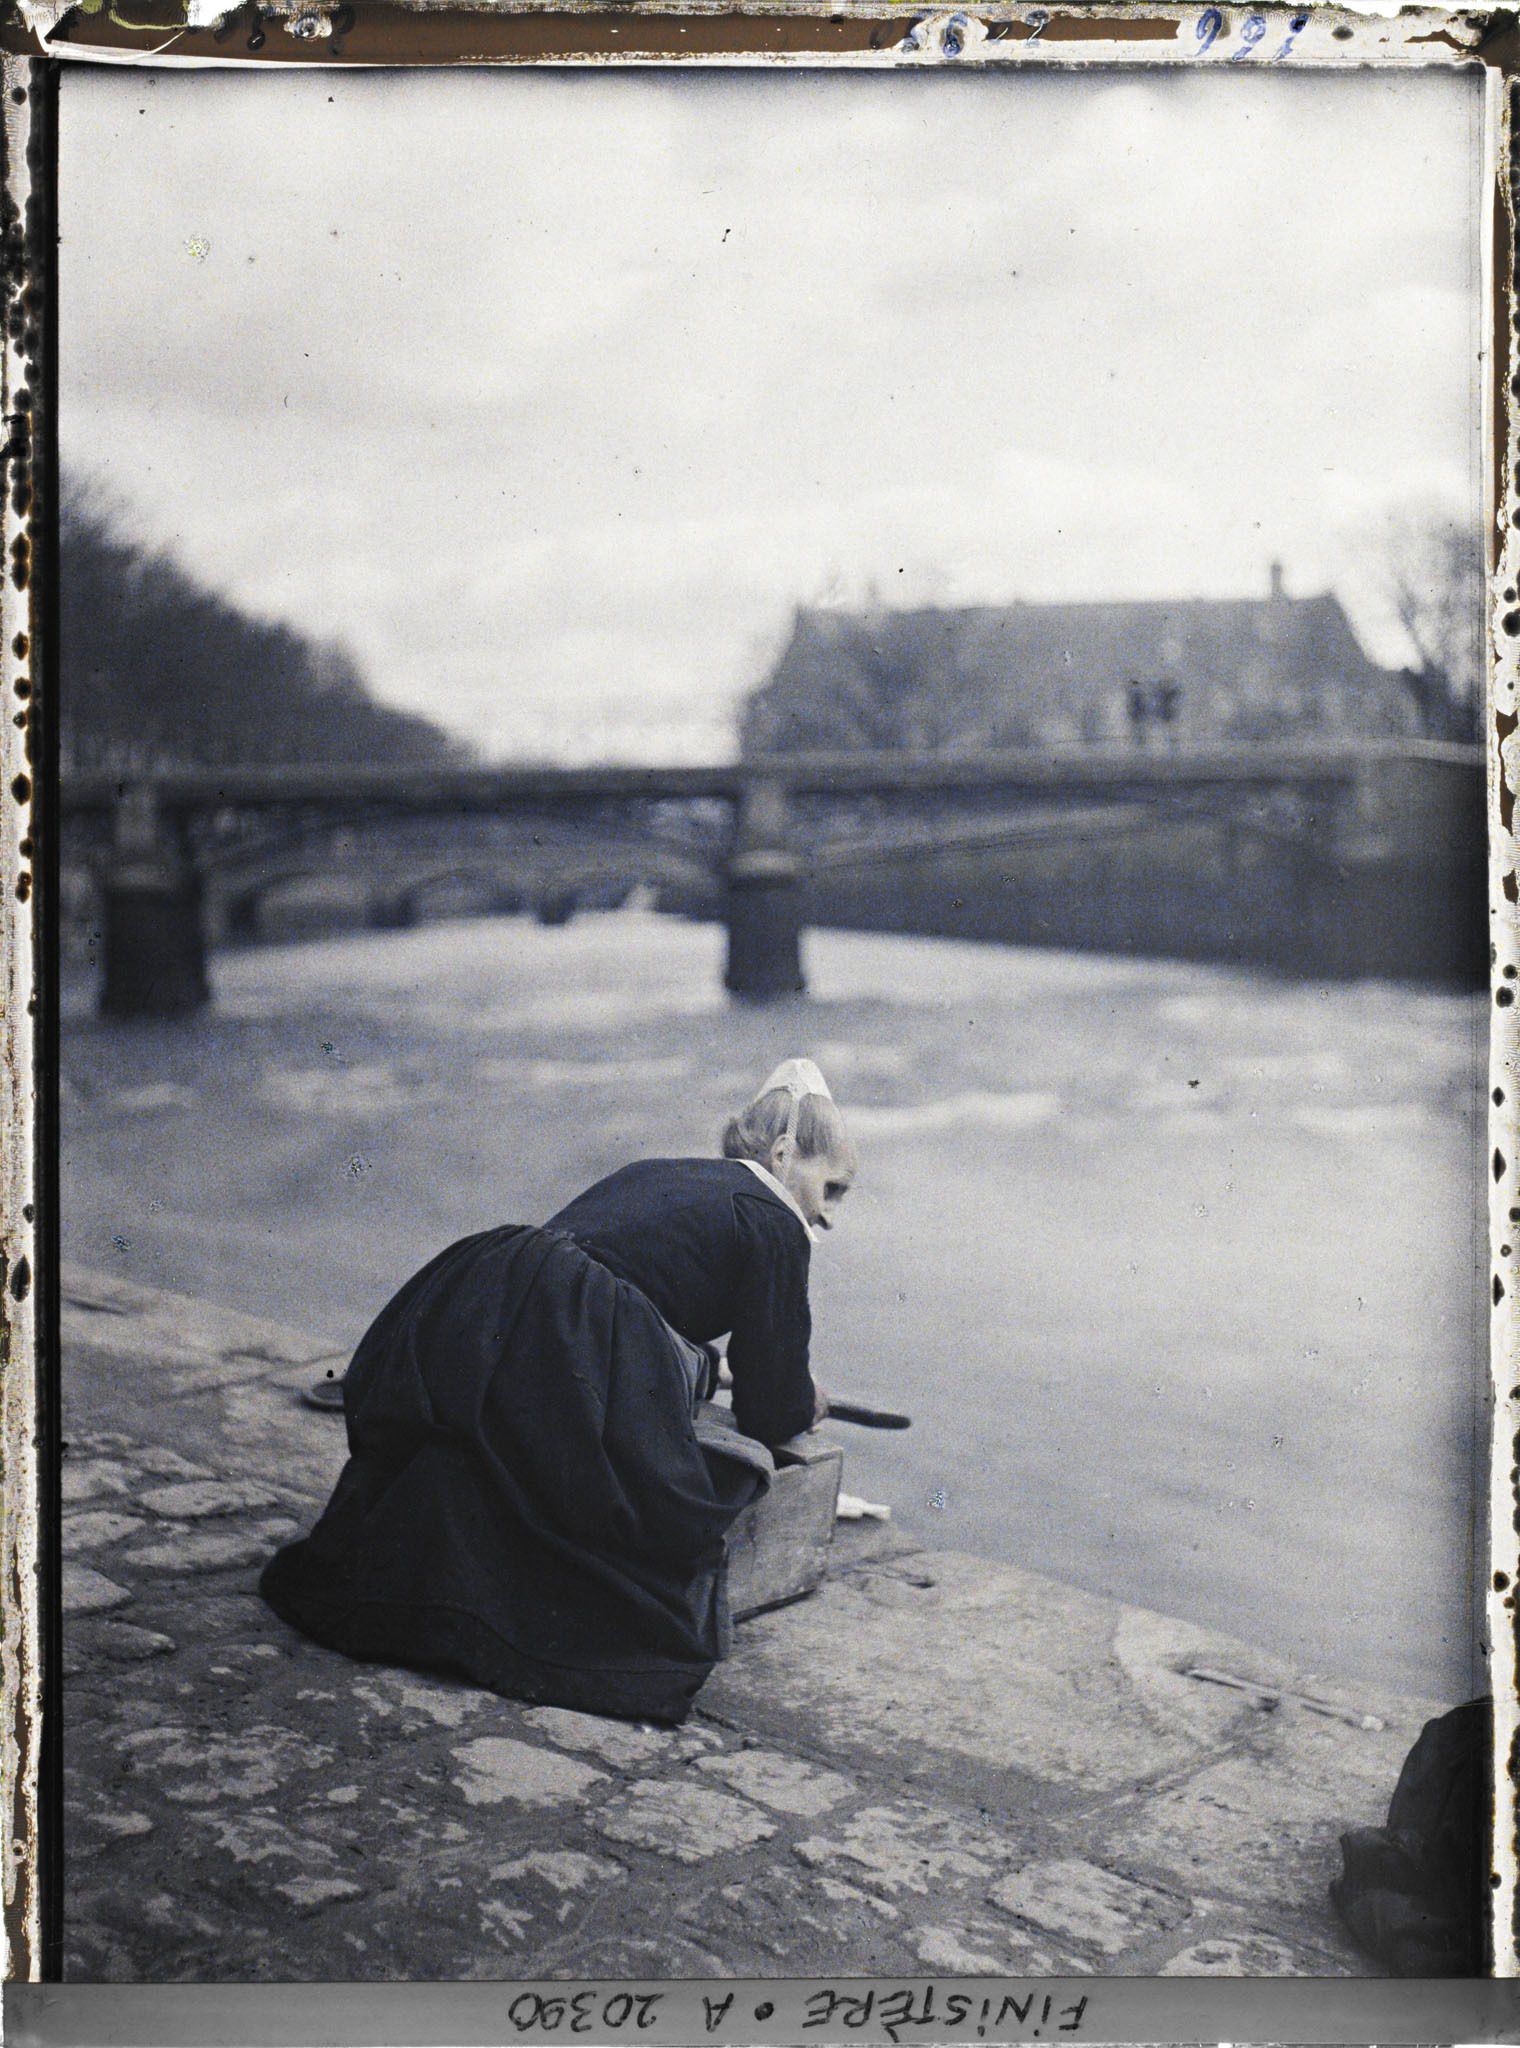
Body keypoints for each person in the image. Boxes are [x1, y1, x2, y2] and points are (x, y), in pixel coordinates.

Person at [259, 1058, 857, 1724]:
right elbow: (771, 1410)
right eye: (832, 1190)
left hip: (490, 1290)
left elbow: (619, 1279)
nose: (829, 1217)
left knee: (485, 1465)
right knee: (660, 1503)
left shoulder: (662, 1173)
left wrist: (702, 1364)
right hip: (566, 1327)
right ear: (782, 1155)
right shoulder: (777, 1224)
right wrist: (806, 1399)